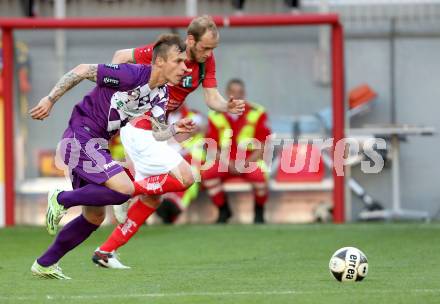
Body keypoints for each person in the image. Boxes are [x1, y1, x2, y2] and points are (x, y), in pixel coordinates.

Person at [29, 34, 196, 279]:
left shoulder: (161, 94)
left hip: (97, 143)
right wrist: (50, 99)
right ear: (159, 61)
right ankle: (62, 198)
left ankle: (45, 263)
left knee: (95, 216)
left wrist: (175, 130)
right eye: (179, 61)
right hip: (81, 135)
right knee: (125, 189)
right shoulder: (130, 75)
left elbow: (158, 134)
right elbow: (82, 70)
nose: (185, 67)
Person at [201, 79, 272, 224]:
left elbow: (264, 143)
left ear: (244, 94)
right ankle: (223, 211)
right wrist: (228, 163)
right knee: (207, 174)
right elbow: (211, 145)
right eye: (233, 92)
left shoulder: (257, 112)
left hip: (249, 161)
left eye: (240, 93)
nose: (237, 96)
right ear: (227, 94)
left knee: (260, 177)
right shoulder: (215, 115)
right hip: (225, 162)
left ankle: (259, 213)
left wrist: (245, 163)